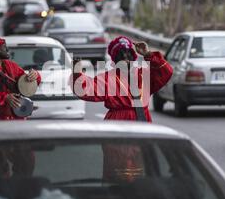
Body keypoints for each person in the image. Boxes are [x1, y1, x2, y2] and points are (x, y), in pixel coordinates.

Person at [71, 36, 173, 182]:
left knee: (143, 169)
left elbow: (166, 72)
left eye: (129, 55)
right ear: (115, 60)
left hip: (142, 123)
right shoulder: (108, 78)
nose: (126, 59)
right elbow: (85, 89)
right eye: (121, 56)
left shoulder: (143, 75)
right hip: (117, 124)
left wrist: (148, 54)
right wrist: (77, 73)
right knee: (119, 170)